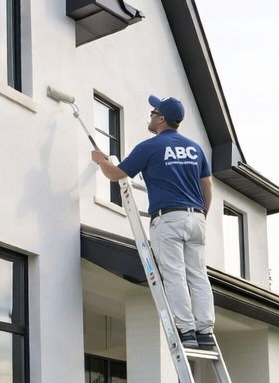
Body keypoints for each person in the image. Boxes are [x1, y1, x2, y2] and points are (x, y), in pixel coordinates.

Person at [91, 94, 218, 351]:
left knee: (174, 275)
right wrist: (201, 214)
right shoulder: (195, 149)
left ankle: (187, 329)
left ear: (161, 118)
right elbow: (207, 186)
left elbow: (116, 174)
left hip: (168, 219)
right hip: (196, 218)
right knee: (198, 276)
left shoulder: (150, 147)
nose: (150, 115)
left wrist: (100, 160)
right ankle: (205, 329)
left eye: (153, 112)